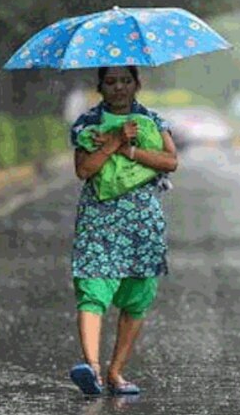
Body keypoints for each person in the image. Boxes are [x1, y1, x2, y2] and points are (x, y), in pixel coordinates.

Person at [68, 65, 179, 396]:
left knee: (137, 296)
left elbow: (170, 162)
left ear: (137, 84)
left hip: (141, 222)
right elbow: (84, 170)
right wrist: (112, 142)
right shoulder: (87, 124)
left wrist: (129, 149)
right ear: (100, 86)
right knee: (92, 288)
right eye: (111, 82)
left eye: (125, 81)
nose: (119, 87)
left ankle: (116, 371)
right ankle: (93, 369)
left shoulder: (153, 122)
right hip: (98, 220)